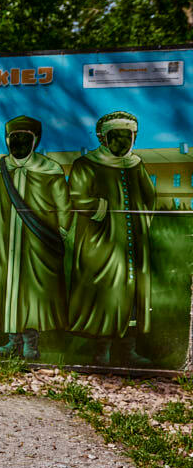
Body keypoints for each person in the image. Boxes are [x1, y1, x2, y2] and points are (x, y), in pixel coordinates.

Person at [0, 115, 71, 359]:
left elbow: (64, 207)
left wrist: (59, 234)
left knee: (34, 292)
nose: (18, 143)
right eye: (14, 138)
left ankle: (31, 343)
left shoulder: (51, 169)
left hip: (38, 243)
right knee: (7, 290)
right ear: (7, 140)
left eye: (24, 138)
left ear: (35, 140)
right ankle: (12, 340)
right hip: (4, 241)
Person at [68, 111, 154, 366]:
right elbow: (77, 196)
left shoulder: (136, 164)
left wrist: (141, 222)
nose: (123, 142)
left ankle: (129, 350)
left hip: (133, 245)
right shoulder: (86, 164)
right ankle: (101, 352)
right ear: (104, 138)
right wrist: (101, 209)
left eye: (128, 136)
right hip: (100, 243)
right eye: (116, 136)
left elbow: (149, 197)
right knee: (105, 294)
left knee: (133, 296)